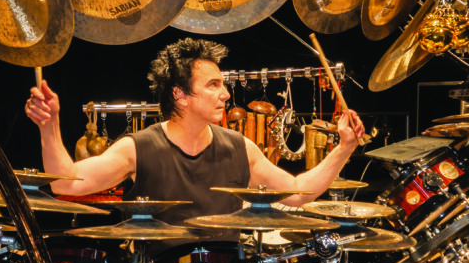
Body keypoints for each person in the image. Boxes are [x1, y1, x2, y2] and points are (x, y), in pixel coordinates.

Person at [25, 38, 366, 230]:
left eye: (223, 84)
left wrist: (344, 148)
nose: (226, 94)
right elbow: (66, 184)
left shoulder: (240, 148)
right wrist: (49, 126)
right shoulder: (138, 148)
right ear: (180, 95)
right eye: (213, 85)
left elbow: (297, 192)